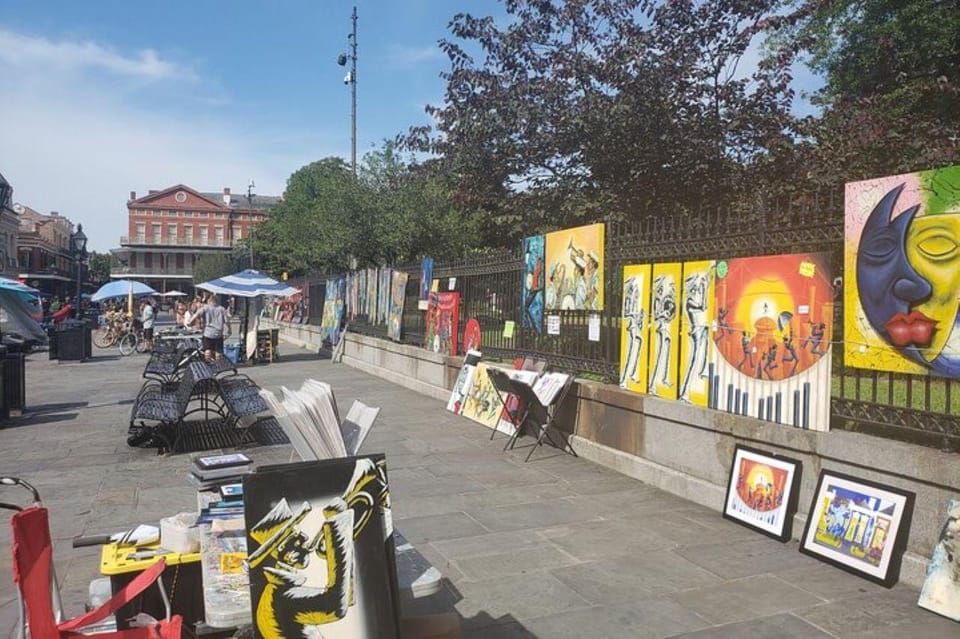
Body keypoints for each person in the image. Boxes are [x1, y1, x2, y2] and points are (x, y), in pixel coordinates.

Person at [200, 294, 230, 359]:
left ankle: (208, 363)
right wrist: (229, 330)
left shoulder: (205, 308)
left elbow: (197, 315)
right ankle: (218, 365)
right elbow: (227, 321)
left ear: (209, 300)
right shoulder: (222, 309)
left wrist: (190, 322)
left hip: (208, 333)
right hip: (218, 334)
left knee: (207, 350)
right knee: (218, 352)